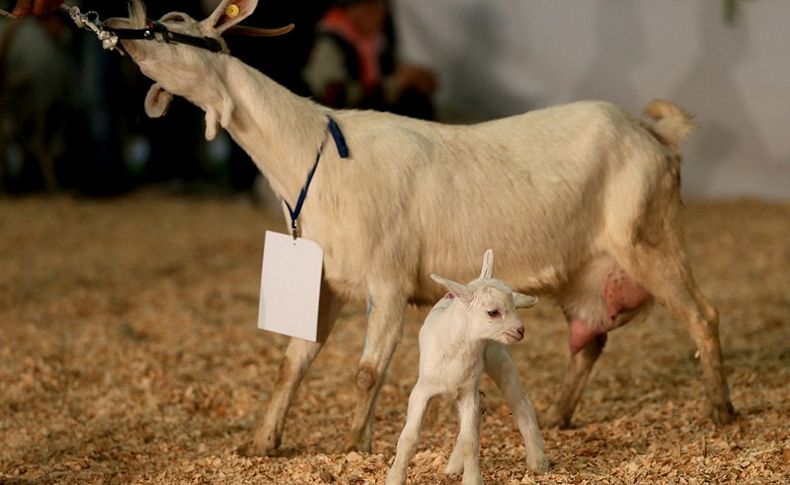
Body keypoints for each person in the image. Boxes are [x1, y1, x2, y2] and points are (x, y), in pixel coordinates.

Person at [303, 0, 437, 119]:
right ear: (352, 9)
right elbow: (333, 95)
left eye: (382, 7)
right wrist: (393, 85)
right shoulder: (331, 42)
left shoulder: (377, 43)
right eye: (371, 7)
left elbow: (394, 71)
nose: (380, 14)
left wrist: (415, 79)